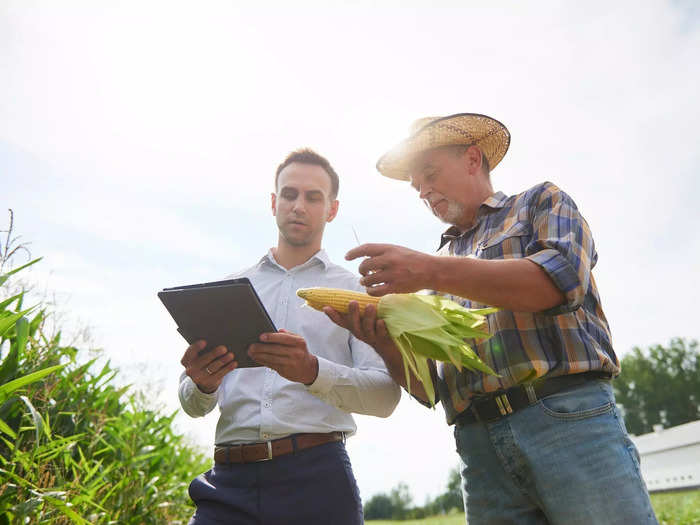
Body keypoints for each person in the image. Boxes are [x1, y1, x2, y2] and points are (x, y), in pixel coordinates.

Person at [324, 114, 658, 524]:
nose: (425, 191)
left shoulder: (539, 202)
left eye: (430, 174)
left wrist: (429, 272)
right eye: (417, 188)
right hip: (478, 447)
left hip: (566, 420)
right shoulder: (436, 264)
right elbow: (432, 387)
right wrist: (382, 341)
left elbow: (559, 282)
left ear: (472, 158)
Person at [178, 148, 401, 525]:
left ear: (332, 209)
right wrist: (200, 383)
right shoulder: (229, 289)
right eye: (289, 194)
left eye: (313, 197)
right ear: (273, 202)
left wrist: (311, 371)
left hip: (317, 480)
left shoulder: (358, 294)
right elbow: (193, 404)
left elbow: (385, 397)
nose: (299, 205)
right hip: (227, 483)